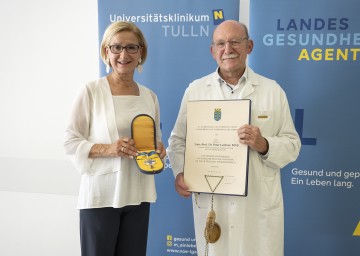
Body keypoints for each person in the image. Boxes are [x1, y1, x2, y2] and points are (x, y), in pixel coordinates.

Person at [167, 20, 301, 256]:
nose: (227, 49)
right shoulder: (196, 90)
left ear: (249, 46)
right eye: (220, 43)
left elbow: (292, 144)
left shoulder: (272, 90)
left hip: (257, 208)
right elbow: (178, 141)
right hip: (212, 203)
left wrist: (264, 144)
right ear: (212, 51)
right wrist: (180, 171)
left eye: (235, 42)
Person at [63, 21, 165, 256]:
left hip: (138, 195)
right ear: (106, 52)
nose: (123, 54)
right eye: (116, 47)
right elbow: (70, 140)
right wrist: (109, 149)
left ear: (141, 53)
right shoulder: (90, 91)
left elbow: (154, 139)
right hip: (101, 196)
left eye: (131, 47)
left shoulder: (150, 96)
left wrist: (159, 150)